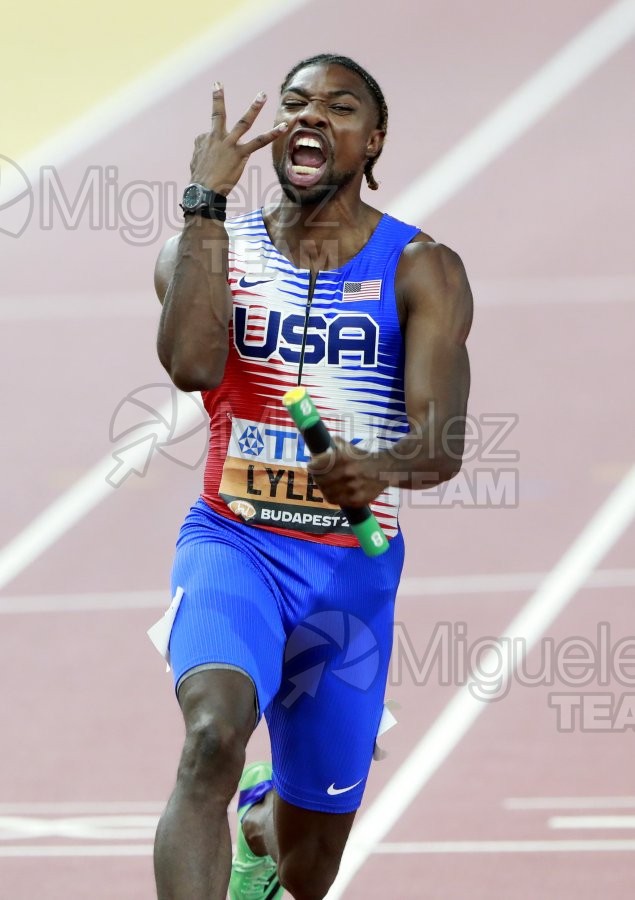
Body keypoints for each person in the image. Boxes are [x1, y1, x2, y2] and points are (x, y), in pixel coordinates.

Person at [152, 53, 472, 900]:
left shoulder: (421, 269)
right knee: (212, 735)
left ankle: (263, 821)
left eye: (338, 107)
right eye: (296, 102)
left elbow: (442, 444)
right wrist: (203, 204)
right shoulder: (211, 246)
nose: (311, 116)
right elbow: (188, 366)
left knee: (306, 873)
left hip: (346, 577)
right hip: (233, 542)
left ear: (372, 141)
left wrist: (378, 466)